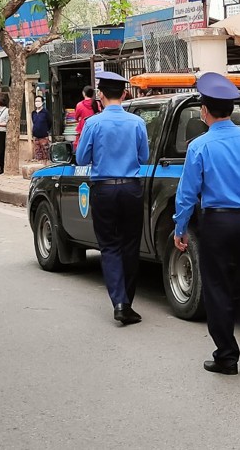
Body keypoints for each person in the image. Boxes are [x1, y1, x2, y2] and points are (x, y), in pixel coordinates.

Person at [173, 72, 240, 375]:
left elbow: (187, 193)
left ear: (205, 111)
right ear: (231, 111)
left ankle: (227, 356)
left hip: (217, 224)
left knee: (218, 288)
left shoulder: (199, 146)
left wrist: (180, 228)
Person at [76, 72, 148, 326]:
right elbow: (144, 158)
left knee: (109, 246)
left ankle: (119, 302)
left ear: (101, 96)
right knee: (130, 245)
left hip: (103, 189)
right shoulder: (137, 123)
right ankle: (127, 302)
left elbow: (82, 159)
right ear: (125, 94)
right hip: (131, 189)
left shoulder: (93, 124)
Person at [31, 95, 53, 162]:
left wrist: (46, 130)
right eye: (36, 101)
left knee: (45, 154)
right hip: (36, 137)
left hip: (44, 137)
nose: (37, 102)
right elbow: (34, 122)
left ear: (42, 102)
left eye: (39, 101)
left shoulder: (45, 113)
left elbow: (50, 122)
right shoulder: (33, 113)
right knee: (38, 155)